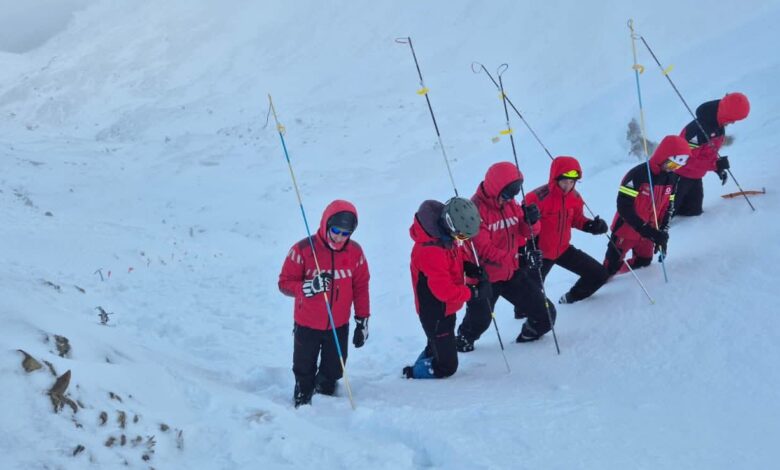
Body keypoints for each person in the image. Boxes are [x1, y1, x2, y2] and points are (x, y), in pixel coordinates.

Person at [455, 161, 556, 353]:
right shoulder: (474, 211)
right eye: (506, 195)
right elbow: (485, 250)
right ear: (495, 188)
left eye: (513, 195)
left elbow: (527, 232)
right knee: (480, 322)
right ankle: (462, 340)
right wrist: (520, 259)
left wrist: (532, 221)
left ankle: (527, 339)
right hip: (485, 278)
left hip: (512, 273)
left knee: (546, 315)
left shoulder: (510, 204)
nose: (509, 199)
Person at [278, 200, 370, 407]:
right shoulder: (303, 249)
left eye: (345, 233)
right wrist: (308, 287)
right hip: (307, 323)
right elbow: (284, 283)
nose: (339, 237)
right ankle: (303, 392)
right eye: (335, 231)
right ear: (326, 223)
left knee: (335, 368)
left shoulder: (355, 252)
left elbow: (361, 287)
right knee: (303, 366)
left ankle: (325, 391)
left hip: (339, 324)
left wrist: (362, 320)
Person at [402, 197, 488, 379]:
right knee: (447, 366)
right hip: (435, 312)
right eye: (462, 236)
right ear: (449, 224)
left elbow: (454, 257)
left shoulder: (445, 237)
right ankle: (412, 372)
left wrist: (468, 266)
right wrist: (473, 293)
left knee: (438, 343)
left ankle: (433, 353)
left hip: (447, 309)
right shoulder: (430, 250)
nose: (462, 240)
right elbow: (444, 291)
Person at [524, 156, 609, 304]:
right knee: (530, 295)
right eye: (564, 181)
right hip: (540, 253)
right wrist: (530, 248)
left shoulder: (574, 197)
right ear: (555, 178)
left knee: (599, 274)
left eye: (572, 182)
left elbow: (577, 219)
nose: (568, 186)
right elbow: (522, 228)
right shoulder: (536, 197)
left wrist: (592, 226)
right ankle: (523, 315)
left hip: (563, 249)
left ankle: (571, 299)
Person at [603, 135, 691, 276]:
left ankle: (623, 279)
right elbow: (624, 207)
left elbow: (669, 207)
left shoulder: (672, 179)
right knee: (609, 268)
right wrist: (645, 230)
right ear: (663, 156)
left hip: (649, 233)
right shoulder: (638, 175)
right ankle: (610, 279)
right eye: (671, 164)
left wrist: (662, 234)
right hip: (626, 231)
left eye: (677, 166)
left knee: (644, 262)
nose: (673, 168)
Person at [674, 92, 750, 216]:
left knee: (693, 212)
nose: (733, 123)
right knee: (665, 215)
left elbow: (708, 152)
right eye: (733, 119)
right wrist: (715, 165)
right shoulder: (698, 130)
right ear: (727, 114)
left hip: (695, 176)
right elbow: (685, 160)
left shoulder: (719, 125)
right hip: (678, 176)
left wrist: (718, 168)